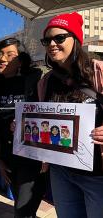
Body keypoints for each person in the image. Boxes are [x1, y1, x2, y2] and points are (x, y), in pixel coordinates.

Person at [39, 12, 103, 217]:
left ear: (76, 40)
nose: (52, 44)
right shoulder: (45, 81)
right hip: (61, 172)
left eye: (59, 38)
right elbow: (43, 119)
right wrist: (23, 125)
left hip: (97, 174)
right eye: (47, 40)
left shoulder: (98, 71)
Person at [0, 37, 45, 218]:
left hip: (32, 158)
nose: (2, 58)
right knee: (22, 208)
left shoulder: (36, 81)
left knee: (22, 211)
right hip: (7, 157)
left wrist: (48, 154)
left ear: (20, 60)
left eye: (9, 54)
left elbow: (47, 116)